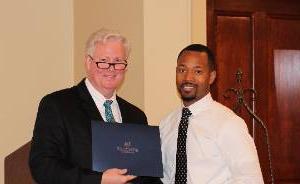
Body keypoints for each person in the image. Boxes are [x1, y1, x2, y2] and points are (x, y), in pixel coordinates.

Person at [29, 28, 160, 184]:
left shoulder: (136, 115)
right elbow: (43, 166)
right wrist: (99, 180)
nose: (111, 69)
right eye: (103, 61)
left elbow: (146, 175)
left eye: (118, 62)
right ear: (88, 62)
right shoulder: (58, 105)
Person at [159, 44, 264, 183]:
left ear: (211, 77)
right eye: (182, 70)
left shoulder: (229, 124)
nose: (188, 78)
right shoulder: (166, 123)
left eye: (198, 72)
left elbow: (251, 180)